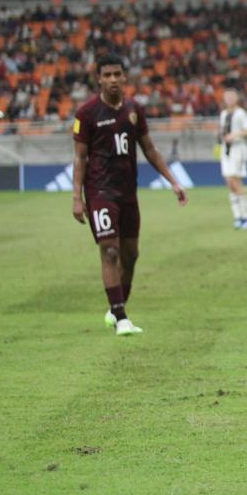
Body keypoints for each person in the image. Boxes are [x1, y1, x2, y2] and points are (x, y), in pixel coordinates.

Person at [71, 54, 188, 336]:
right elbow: (80, 157)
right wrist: (77, 196)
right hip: (100, 192)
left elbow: (149, 149)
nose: (112, 79)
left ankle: (115, 308)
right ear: (98, 78)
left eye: (117, 74)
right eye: (107, 75)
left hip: (128, 194)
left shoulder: (134, 110)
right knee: (109, 250)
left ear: (124, 77)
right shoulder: (86, 113)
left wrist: (173, 181)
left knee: (131, 255)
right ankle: (122, 318)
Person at [219, 89, 247, 230]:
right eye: (226, 97)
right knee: (229, 182)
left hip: (238, 150)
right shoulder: (223, 114)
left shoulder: (241, 113)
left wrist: (235, 135)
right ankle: (237, 217)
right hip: (225, 150)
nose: (229, 99)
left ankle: (245, 217)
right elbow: (223, 130)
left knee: (236, 181)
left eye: (231, 97)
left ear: (236, 98)